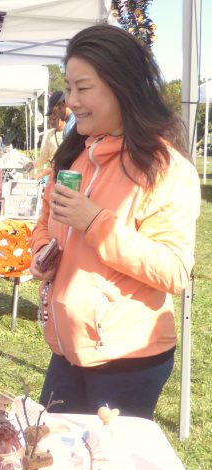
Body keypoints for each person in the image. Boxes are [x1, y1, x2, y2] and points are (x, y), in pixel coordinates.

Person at [30, 24, 200, 419]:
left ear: (122, 86)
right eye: (68, 88)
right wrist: (41, 252)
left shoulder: (165, 168)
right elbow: (44, 225)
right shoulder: (73, 157)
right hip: (67, 351)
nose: (71, 101)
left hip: (129, 360)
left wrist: (96, 223)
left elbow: (174, 271)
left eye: (82, 88)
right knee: (52, 461)